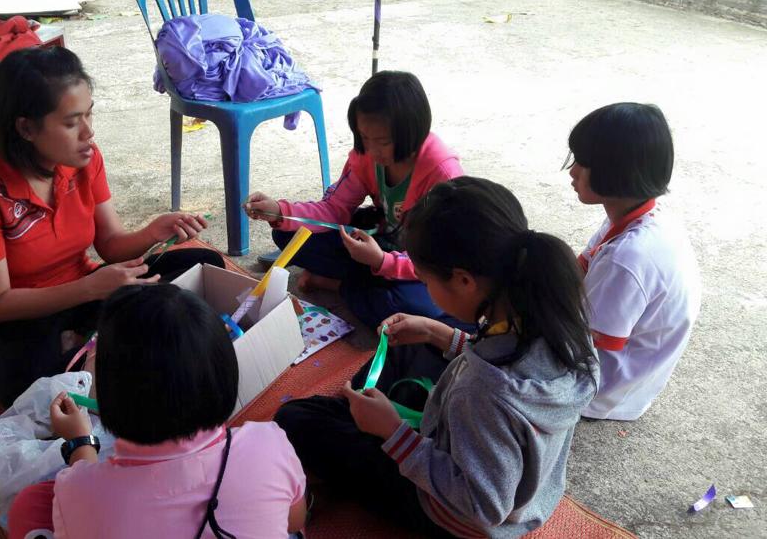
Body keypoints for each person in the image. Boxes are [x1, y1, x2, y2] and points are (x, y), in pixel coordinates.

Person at [275, 178, 600, 537]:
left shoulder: (481, 392)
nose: (424, 288)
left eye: (425, 280)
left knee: (295, 418)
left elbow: (483, 507)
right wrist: (438, 333)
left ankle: (362, 424)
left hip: (449, 516)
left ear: (464, 281)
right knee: (409, 343)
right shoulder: (558, 321)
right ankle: (366, 416)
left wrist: (394, 433)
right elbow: (505, 364)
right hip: (522, 485)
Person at [0, 46, 223, 406]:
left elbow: (111, 244)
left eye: (89, 114)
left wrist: (152, 233)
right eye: (71, 122)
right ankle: (102, 341)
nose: (88, 132)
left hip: (88, 291)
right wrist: (90, 289)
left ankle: (86, 342)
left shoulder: (83, 158)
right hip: (19, 316)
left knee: (203, 265)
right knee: (29, 387)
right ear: (26, 128)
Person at [7, 284, 308, 539]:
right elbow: (293, 523)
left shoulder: (77, 491)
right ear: (225, 373)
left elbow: (85, 494)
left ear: (110, 393)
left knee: (30, 505)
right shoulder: (269, 444)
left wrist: (80, 442)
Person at [244, 71, 468, 330]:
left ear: (412, 133)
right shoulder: (366, 157)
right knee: (289, 233)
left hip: (422, 265)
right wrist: (280, 211)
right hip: (382, 242)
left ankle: (337, 284)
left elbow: (443, 260)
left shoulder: (443, 175)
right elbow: (334, 209)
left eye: (383, 142)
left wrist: (381, 261)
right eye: (364, 138)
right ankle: (364, 284)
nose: (372, 150)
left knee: (417, 308)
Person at [567, 103, 701, 421]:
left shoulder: (626, 259)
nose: (572, 171)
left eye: (583, 163)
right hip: (629, 376)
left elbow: (583, 344)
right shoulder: (640, 216)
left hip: (601, 392)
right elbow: (578, 270)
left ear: (614, 171)